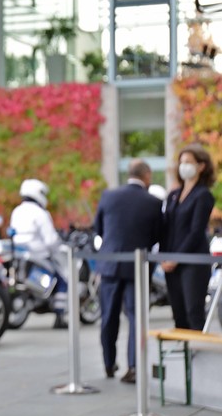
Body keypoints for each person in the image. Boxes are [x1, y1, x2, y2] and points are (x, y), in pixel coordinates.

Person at [93, 159, 163, 383]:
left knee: (108, 316)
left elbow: (100, 229)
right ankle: (133, 366)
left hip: (111, 264)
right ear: (147, 176)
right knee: (135, 317)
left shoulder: (108, 196)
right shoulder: (152, 202)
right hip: (137, 266)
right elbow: (157, 236)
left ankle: (108, 363)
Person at [160, 143, 217, 330]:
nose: (183, 166)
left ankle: (197, 357)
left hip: (193, 263)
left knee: (194, 313)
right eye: (181, 162)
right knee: (179, 315)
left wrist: (175, 258)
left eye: (188, 162)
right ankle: (185, 357)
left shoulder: (203, 195)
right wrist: (164, 256)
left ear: (201, 166)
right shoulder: (174, 195)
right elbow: (166, 227)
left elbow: (195, 231)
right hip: (171, 263)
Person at [9, 178, 69, 328]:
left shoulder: (17, 211)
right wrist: (60, 246)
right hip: (38, 254)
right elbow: (50, 240)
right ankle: (60, 315)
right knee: (62, 281)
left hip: (19, 254)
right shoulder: (41, 213)